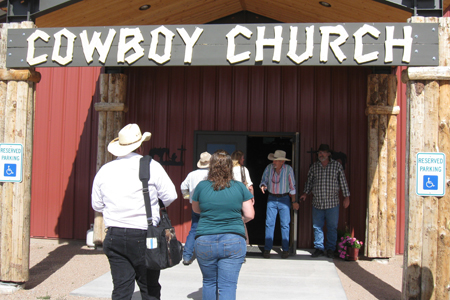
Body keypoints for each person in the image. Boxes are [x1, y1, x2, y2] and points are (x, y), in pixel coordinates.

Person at [91, 123, 178, 300]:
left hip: (114, 235)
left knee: (121, 289)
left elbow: (97, 205)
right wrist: (152, 202)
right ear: (140, 145)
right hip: (146, 235)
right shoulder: (151, 166)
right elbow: (171, 195)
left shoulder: (105, 170)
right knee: (149, 288)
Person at [192, 150, 254, 300]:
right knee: (228, 285)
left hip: (205, 239)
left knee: (209, 282)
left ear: (211, 167)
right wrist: (237, 221)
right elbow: (250, 215)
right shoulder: (240, 187)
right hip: (233, 239)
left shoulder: (201, 186)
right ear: (230, 167)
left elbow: (196, 209)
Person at [299, 144, 350, 259]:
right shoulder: (314, 167)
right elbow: (309, 182)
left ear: (328, 154)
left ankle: (331, 249)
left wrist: (347, 197)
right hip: (317, 202)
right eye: (319, 153)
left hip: (332, 203)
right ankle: (319, 248)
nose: (320, 155)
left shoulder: (336, 166)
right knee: (317, 227)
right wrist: (305, 193)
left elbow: (343, 182)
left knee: (332, 227)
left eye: (323, 152)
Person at [259, 150, 297, 259]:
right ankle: (267, 249)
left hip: (284, 198)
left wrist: (294, 201)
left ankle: (285, 249)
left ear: (281, 161)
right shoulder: (269, 168)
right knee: (269, 223)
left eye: (275, 160)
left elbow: (292, 186)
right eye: (273, 160)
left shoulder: (288, 169)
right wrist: (263, 185)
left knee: (285, 224)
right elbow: (264, 180)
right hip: (271, 197)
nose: (273, 162)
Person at [180, 151, 211, 265]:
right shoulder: (212, 175)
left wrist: (188, 196)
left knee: (194, 229)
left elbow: (183, 187)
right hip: (209, 205)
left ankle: (187, 256)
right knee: (210, 230)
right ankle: (207, 255)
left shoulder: (192, 174)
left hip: (195, 205)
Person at [231, 150, 254, 245]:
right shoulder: (243, 169)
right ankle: (244, 244)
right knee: (243, 220)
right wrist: (252, 197)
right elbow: (250, 186)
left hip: (231, 198)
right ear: (239, 159)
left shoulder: (228, 170)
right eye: (242, 157)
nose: (244, 159)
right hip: (242, 198)